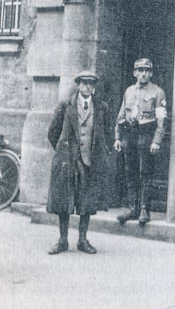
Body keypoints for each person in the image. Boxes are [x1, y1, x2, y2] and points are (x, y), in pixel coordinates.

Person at [46, 71, 114, 255]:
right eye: (84, 83)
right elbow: (52, 132)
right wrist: (63, 152)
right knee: (63, 200)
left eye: (91, 84)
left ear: (94, 87)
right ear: (78, 85)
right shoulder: (65, 105)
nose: (88, 87)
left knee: (87, 201)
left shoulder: (101, 107)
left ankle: (83, 240)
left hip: (89, 160)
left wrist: (99, 154)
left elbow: (107, 134)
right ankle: (62, 240)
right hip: (68, 160)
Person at [114, 58, 168, 225]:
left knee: (145, 172)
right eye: (140, 70)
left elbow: (161, 120)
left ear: (151, 73)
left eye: (146, 70)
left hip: (146, 135)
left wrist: (156, 141)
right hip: (130, 135)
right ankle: (132, 208)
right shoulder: (129, 91)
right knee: (130, 172)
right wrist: (117, 138)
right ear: (134, 73)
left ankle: (144, 208)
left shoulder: (158, 92)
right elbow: (121, 116)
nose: (143, 74)